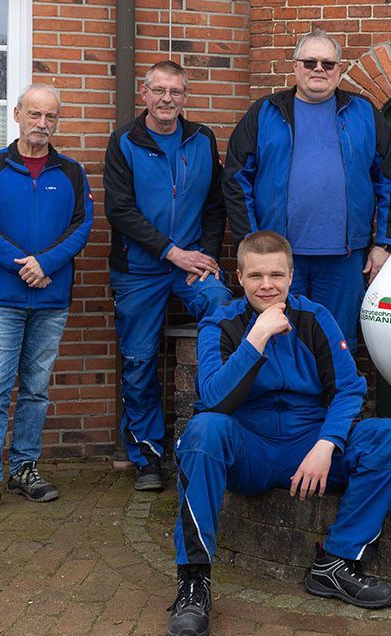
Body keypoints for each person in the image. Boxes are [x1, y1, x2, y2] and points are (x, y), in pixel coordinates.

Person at [166, 231, 391, 636]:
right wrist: (256, 337)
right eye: (257, 275)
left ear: (291, 275)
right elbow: (212, 398)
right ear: (240, 276)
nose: (267, 285)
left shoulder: (315, 317)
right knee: (203, 430)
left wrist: (326, 443)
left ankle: (336, 563)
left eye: (277, 275)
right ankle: (194, 583)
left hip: (310, 444)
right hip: (252, 449)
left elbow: (349, 389)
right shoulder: (220, 323)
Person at [0, 84, 93, 519]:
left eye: (50, 116)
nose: (42, 124)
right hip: (1, 298)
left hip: (51, 299)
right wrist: (24, 265)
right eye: (34, 114)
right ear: (17, 114)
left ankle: (24, 469)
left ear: (58, 120)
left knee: (35, 390)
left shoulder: (71, 172)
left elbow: (82, 226)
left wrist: (46, 262)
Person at [223, 29, 391, 345]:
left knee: (336, 343)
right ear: (295, 67)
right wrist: (251, 242)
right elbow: (237, 180)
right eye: (309, 63)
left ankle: (336, 397)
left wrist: (383, 244)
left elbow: (390, 181)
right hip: (277, 257)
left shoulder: (363, 113)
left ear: (339, 69)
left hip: (344, 258)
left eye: (327, 63)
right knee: (279, 342)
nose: (318, 69)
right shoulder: (266, 112)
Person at [104, 60, 232, 491]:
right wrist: (172, 252)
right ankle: (148, 457)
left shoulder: (201, 139)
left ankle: (213, 426)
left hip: (192, 263)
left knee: (223, 309)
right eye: (159, 91)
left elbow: (215, 206)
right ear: (144, 94)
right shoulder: (123, 142)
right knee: (139, 360)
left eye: (175, 92)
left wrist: (208, 257)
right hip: (140, 269)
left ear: (185, 96)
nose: (166, 99)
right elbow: (119, 211)